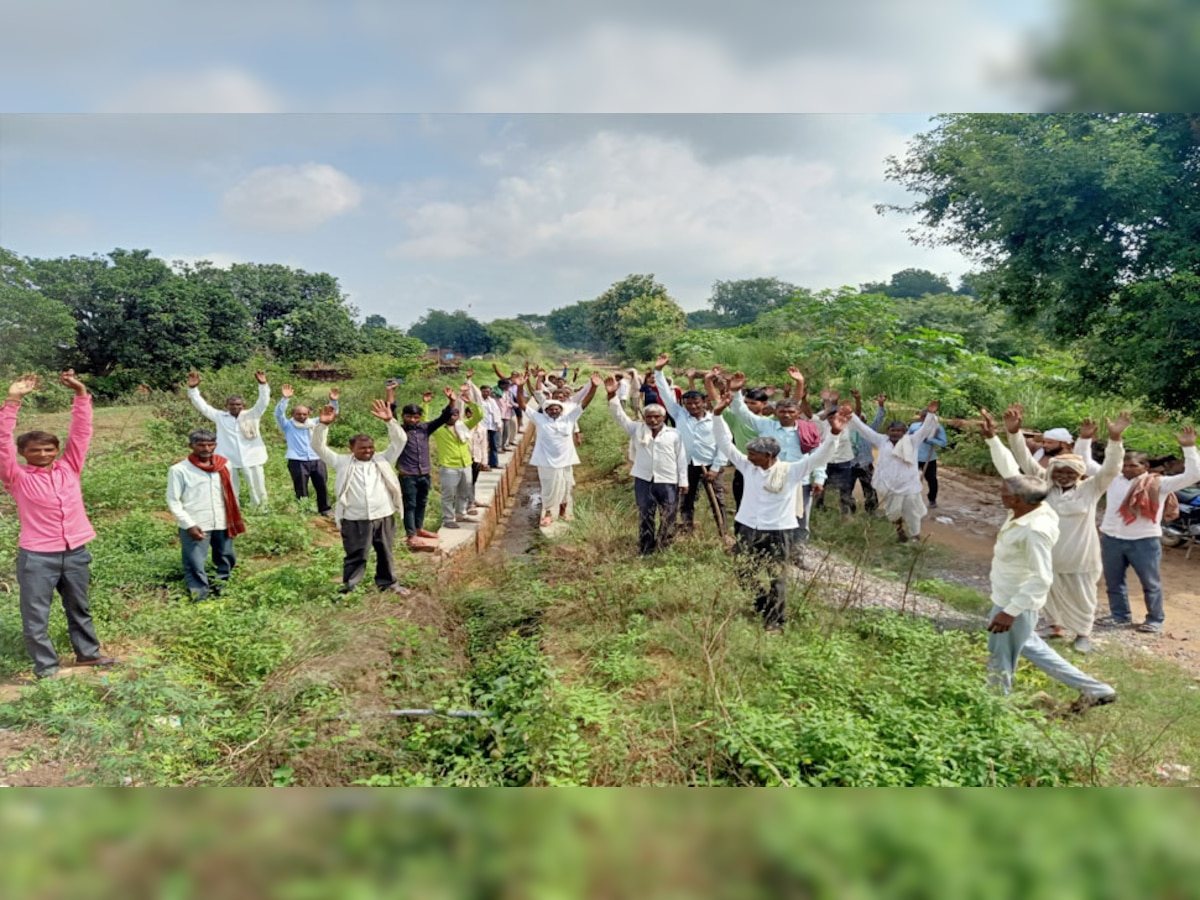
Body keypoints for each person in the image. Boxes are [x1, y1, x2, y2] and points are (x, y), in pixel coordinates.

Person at [1, 371, 116, 679]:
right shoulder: (17, 477)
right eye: (35, 450)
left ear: (56, 451)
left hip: (75, 551)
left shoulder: (69, 467)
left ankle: (87, 655)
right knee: (36, 615)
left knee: (79, 607)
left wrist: (81, 393)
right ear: (23, 454)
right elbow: (2, 444)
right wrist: (13, 400)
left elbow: (81, 433)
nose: (43, 454)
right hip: (38, 557)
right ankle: (47, 668)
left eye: (49, 449)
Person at [991, 406, 1128, 651]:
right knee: (1049, 591)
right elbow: (1024, 460)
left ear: (1079, 474)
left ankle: (1084, 634)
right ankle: (1055, 626)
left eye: (1070, 472)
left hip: (1081, 557)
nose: (1064, 476)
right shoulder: (1045, 485)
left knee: (1084, 595)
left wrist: (1115, 439)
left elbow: (1111, 469)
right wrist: (1014, 433)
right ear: (1052, 472)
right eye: (1060, 471)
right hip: (1049, 553)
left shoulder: (1091, 489)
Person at [984, 474, 1118, 712]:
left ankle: (994, 708)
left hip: (1013, 602)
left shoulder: (1034, 529)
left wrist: (1010, 612)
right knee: (1032, 648)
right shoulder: (1031, 510)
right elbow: (1010, 470)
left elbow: (1042, 577)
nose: (1000, 493)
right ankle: (1095, 689)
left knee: (1000, 659)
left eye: (1003, 491)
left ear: (1016, 499)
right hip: (1011, 598)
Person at [713, 410, 848, 631]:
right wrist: (717, 416)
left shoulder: (792, 471)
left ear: (768, 455)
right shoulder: (748, 468)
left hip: (778, 531)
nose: (748, 457)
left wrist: (833, 434)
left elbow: (820, 457)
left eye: (754, 453)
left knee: (776, 576)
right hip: (748, 527)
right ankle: (762, 604)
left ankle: (775, 621)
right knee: (743, 570)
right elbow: (726, 444)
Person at [1095, 423, 1199, 633]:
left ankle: (1154, 618)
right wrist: (1113, 438)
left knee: (1150, 584)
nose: (1128, 469)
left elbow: (1192, 476)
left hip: (1144, 541)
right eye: (1125, 465)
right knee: (1114, 582)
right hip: (1112, 538)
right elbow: (1087, 465)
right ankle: (1119, 616)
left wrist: (1189, 448)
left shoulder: (1158, 484)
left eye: (1134, 465)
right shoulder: (1113, 479)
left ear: (1145, 468)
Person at [311, 400, 411, 595]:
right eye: (363, 448)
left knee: (386, 552)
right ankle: (351, 588)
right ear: (351, 448)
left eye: (370, 447)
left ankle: (388, 584)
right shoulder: (341, 462)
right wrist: (322, 425)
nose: (368, 451)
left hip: (383, 515)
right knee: (356, 555)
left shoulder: (382, 459)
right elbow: (318, 446)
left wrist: (390, 421)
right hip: (354, 518)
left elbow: (400, 441)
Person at [726, 370, 829, 545]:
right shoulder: (765, 425)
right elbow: (742, 412)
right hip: (769, 478)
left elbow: (817, 456)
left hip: (799, 481)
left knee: (801, 519)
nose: (786, 415)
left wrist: (819, 478)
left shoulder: (808, 431)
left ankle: (798, 553)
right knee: (769, 515)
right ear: (776, 412)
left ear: (797, 413)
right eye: (782, 411)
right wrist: (736, 393)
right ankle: (768, 551)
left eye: (790, 411)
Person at [606, 376, 689, 555]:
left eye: (656, 416)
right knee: (645, 514)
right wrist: (612, 395)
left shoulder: (674, 434)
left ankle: (664, 547)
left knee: (669, 515)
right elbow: (619, 417)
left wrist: (683, 481)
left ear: (663, 417)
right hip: (644, 478)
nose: (652, 420)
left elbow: (681, 458)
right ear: (644, 417)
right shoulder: (637, 429)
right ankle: (646, 548)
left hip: (668, 480)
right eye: (649, 417)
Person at [844, 399, 942, 542]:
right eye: (892, 430)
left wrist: (931, 414)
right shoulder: (881, 440)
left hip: (909, 486)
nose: (895, 433)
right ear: (888, 431)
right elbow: (864, 430)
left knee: (912, 513)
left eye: (899, 431)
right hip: (889, 485)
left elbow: (925, 429)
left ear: (904, 432)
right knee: (892, 513)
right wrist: (851, 415)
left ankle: (916, 537)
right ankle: (900, 532)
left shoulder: (913, 441)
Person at [166, 429, 247, 602]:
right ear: (191, 446)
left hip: (222, 521)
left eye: (211, 444)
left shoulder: (224, 465)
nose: (207, 449)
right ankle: (199, 596)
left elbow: (231, 492)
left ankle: (222, 588)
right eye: (201, 445)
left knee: (226, 556)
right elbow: (173, 501)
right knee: (195, 562)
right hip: (197, 524)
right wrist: (189, 525)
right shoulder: (179, 470)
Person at [653, 355, 727, 536]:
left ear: (704, 402)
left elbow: (724, 443)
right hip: (686, 465)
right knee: (686, 498)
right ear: (683, 404)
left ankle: (723, 531)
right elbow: (665, 393)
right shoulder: (679, 415)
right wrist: (658, 371)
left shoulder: (715, 418)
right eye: (688, 404)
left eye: (696, 403)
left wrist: (716, 468)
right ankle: (687, 529)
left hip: (710, 465)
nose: (692, 406)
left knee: (717, 499)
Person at [516, 372, 600, 527]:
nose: (554, 411)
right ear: (546, 411)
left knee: (566, 487)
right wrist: (520, 387)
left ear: (561, 410)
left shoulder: (569, 418)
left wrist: (593, 387)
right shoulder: (540, 419)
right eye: (551, 409)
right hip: (545, 461)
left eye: (557, 409)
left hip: (566, 461)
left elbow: (584, 403)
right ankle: (548, 513)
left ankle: (563, 512)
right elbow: (522, 405)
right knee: (548, 488)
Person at [186, 369, 271, 507]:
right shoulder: (220, 417)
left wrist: (263, 385)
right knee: (230, 485)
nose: (235, 407)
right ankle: (233, 508)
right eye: (232, 404)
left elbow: (263, 402)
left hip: (252, 456)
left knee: (257, 485)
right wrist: (193, 389)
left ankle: (262, 508)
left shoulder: (252, 414)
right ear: (226, 406)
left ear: (243, 406)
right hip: (228, 457)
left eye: (238, 404)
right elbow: (202, 407)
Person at [386, 381, 455, 547]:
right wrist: (390, 392)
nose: (412, 419)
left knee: (422, 502)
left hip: (424, 473)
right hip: (407, 474)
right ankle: (411, 535)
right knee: (410, 504)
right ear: (403, 416)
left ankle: (419, 529)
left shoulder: (425, 428)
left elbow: (444, 417)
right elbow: (391, 412)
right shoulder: (399, 431)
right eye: (409, 416)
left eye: (416, 417)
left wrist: (452, 401)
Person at [274, 384, 338, 516]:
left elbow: (330, 414)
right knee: (301, 487)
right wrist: (285, 399)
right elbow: (278, 414)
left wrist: (333, 401)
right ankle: (305, 510)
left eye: (304, 414)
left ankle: (325, 509)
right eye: (298, 414)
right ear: (292, 414)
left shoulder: (315, 422)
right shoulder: (287, 425)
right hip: (297, 460)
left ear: (309, 414)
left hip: (317, 458)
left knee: (322, 485)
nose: (301, 416)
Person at [430, 386, 478, 529]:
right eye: (450, 415)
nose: (453, 417)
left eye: (455, 415)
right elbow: (424, 420)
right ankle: (448, 518)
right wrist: (426, 404)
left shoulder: (463, 427)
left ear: (458, 416)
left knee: (464, 491)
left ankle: (461, 513)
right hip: (449, 466)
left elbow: (479, 416)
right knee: (449, 494)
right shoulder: (439, 430)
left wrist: (471, 403)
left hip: (466, 463)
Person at [847, 390, 885, 514]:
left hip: (865, 464)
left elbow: (879, 419)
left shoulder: (870, 430)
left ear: (865, 421)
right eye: (858, 418)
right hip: (850, 464)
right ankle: (848, 510)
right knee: (847, 489)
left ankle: (872, 510)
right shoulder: (848, 430)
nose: (860, 419)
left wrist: (881, 406)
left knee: (869, 488)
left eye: (862, 418)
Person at [907, 408, 948, 508]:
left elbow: (943, 443)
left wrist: (929, 440)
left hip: (929, 459)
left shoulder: (937, 428)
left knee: (932, 480)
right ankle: (910, 499)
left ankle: (932, 499)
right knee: (910, 479)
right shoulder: (914, 427)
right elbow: (906, 438)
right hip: (914, 457)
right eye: (923, 417)